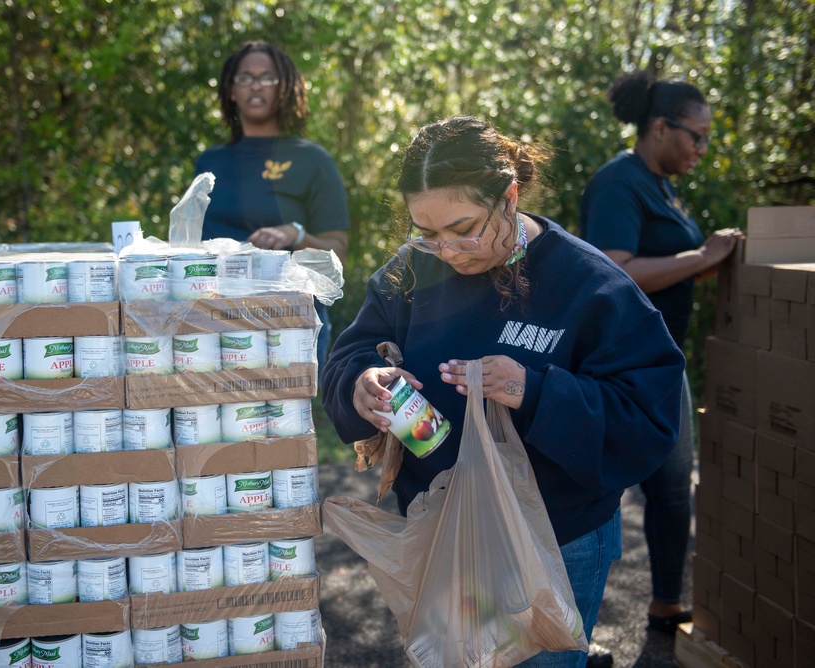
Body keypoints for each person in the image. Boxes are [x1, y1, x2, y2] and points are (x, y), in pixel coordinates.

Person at [321, 116, 685, 668]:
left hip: (552, 542)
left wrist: (534, 391)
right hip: (440, 531)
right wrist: (359, 386)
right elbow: (350, 355)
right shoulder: (412, 272)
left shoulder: (591, 286)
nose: (447, 249)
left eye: (464, 227)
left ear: (510, 196)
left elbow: (648, 417)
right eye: (427, 232)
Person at [579, 71, 743, 664]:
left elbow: (665, 265)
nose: (701, 148)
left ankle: (666, 608)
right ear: (659, 127)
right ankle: (569, 629)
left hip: (662, 360)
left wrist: (706, 263)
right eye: (695, 137)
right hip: (619, 367)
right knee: (595, 493)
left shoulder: (662, 186)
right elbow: (617, 269)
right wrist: (702, 255)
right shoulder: (619, 184)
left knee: (673, 492)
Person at [194, 41, 350, 368]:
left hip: (289, 321)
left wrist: (295, 235)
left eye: (267, 78)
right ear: (231, 89)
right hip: (214, 317)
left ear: (284, 89)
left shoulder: (312, 160)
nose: (255, 85)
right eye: (245, 77)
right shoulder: (209, 162)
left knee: (286, 418)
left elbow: (339, 255)